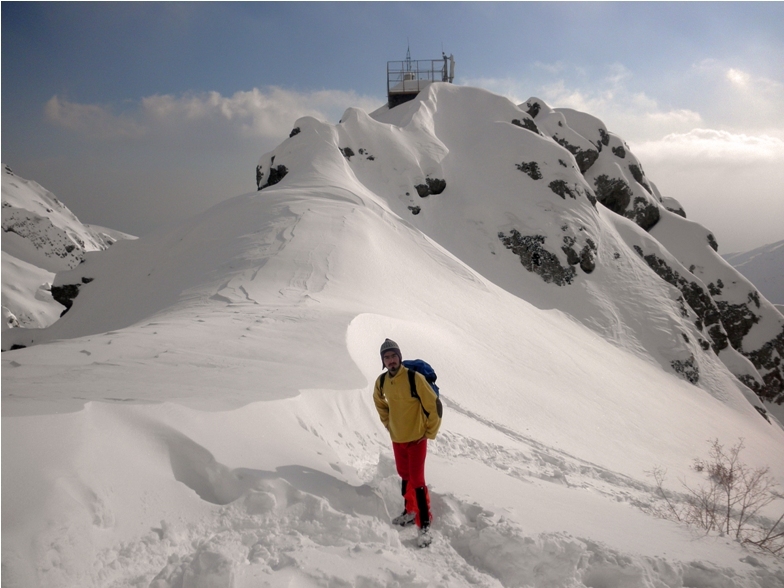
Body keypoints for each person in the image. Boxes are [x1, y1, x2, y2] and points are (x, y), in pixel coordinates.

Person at [373, 338, 441, 547]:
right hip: (398, 438)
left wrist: (428, 432)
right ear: (383, 361)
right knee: (405, 475)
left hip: (417, 438)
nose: (391, 360)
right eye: (387, 357)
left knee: (418, 480)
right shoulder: (382, 381)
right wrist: (389, 424)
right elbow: (379, 403)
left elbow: (434, 406)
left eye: (394, 356)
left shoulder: (414, 378)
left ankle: (425, 525)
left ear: (400, 357)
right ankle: (410, 511)